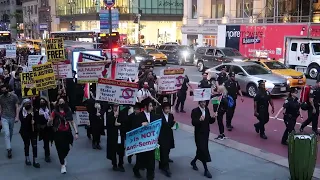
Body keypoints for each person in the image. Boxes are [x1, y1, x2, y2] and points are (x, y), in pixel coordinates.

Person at [48, 97, 79, 174]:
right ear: (58, 103)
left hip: (67, 132)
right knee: (59, 149)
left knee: (66, 148)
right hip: (58, 133)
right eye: (60, 102)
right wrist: (50, 121)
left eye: (63, 102)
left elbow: (72, 122)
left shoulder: (67, 111)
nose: (62, 103)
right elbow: (49, 124)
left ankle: (63, 157)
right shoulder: (54, 112)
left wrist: (76, 132)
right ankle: (62, 164)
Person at [132, 99, 158, 180]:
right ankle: (136, 169)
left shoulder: (154, 115)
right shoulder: (139, 116)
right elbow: (134, 127)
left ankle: (150, 176)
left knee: (151, 160)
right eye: (150, 106)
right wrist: (141, 124)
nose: (151, 108)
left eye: (152, 106)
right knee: (141, 159)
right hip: (142, 142)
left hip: (151, 142)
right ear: (146, 106)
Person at [190, 100, 216, 178]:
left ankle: (193, 161)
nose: (203, 104)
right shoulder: (195, 111)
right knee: (203, 150)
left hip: (205, 134)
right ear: (199, 103)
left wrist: (214, 117)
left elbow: (209, 121)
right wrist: (199, 120)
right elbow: (193, 122)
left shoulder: (207, 109)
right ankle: (206, 170)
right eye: (202, 102)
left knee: (200, 150)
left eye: (204, 102)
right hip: (198, 134)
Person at [19, 99, 40, 168]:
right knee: (27, 144)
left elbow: (38, 118)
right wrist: (29, 115)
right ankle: (27, 158)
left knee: (34, 145)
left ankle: (35, 160)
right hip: (25, 131)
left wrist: (35, 121)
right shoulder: (22, 112)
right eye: (26, 103)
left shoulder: (34, 110)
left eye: (29, 103)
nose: (28, 104)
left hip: (33, 131)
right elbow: (23, 121)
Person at [0, 84, 19, 158]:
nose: (3, 91)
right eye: (2, 90)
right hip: (4, 117)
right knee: (7, 133)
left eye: (5, 90)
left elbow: (17, 107)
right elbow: (0, 108)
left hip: (12, 117)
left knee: (10, 132)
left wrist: (17, 117)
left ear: (8, 89)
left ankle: (8, 144)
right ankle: (9, 149)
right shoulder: (1, 97)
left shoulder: (14, 96)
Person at [106, 103, 126, 172]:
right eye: (115, 106)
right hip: (113, 135)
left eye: (117, 106)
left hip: (121, 135)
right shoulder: (110, 114)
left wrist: (120, 124)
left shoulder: (122, 114)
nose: (116, 108)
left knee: (121, 150)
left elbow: (125, 123)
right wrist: (114, 117)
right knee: (113, 149)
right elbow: (108, 125)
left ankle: (121, 164)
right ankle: (114, 164)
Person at [158, 101, 175, 177]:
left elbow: (171, 125)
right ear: (163, 109)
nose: (167, 110)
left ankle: (161, 164)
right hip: (162, 136)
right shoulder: (159, 116)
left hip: (169, 135)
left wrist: (174, 123)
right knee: (163, 151)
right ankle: (166, 167)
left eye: (169, 108)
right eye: (166, 109)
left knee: (167, 150)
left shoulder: (171, 116)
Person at [35, 97, 53, 162]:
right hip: (43, 129)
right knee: (46, 142)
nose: (42, 102)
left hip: (50, 127)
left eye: (43, 101)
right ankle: (47, 155)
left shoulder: (49, 109)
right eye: (41, 101)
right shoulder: (38, 111)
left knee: (50, 140)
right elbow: (37, 120)